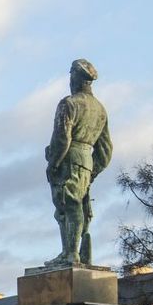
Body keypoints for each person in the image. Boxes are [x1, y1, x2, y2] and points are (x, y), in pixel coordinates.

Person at [44, 58, 112, 267]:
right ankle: (69, 251)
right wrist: (93, 170)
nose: (70, 78)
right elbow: (105, 148)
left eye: (71, 74)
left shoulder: (69, 104)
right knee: (70, 207)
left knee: (69, 204)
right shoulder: (100, 109)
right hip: (86, 161)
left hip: (68, 159)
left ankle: (71, 254)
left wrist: (53, 162)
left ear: (77, 77)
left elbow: (62, 138)